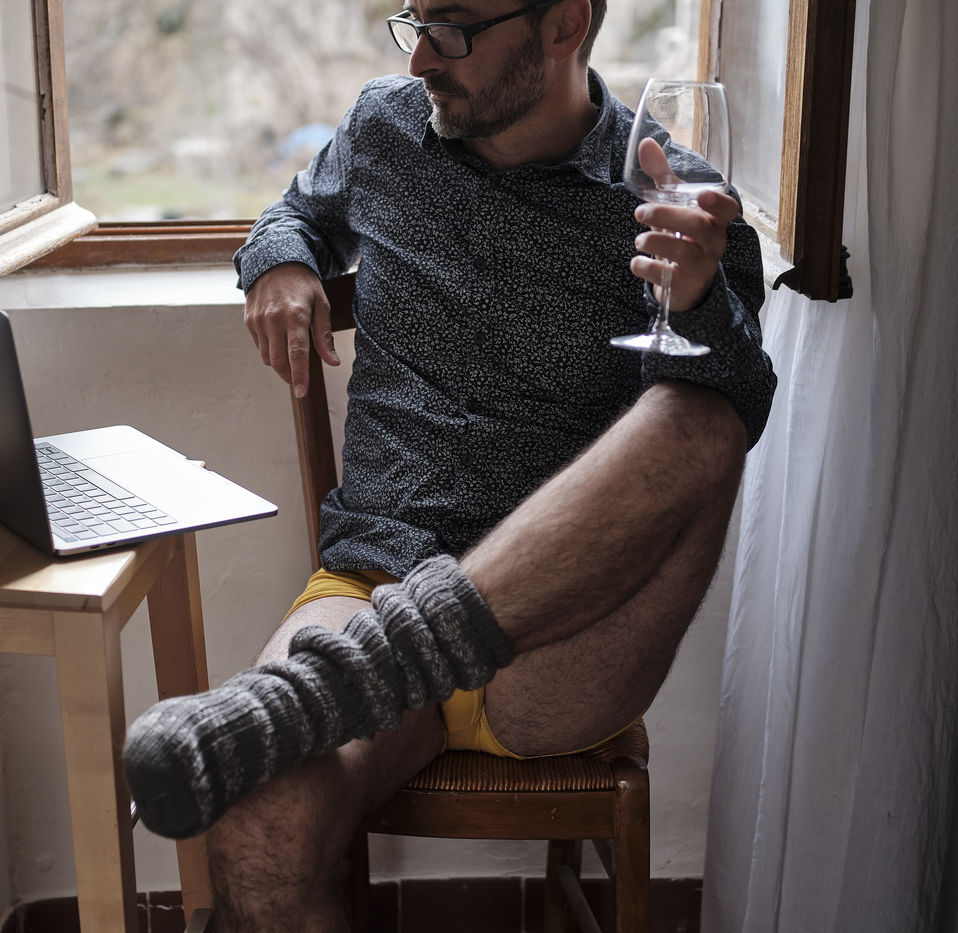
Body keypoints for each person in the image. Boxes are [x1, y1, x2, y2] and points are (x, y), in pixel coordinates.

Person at [123, 0, 776, 928]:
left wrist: (702, 300)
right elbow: (294, 211)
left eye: (455, 29)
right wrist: (279, 261)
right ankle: (351, 681)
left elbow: (745, 398)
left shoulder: (673, 200)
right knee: (259, 817)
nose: (422, 58)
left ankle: (334, 685)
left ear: (564, 25)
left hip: (562, 631)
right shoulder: (385, 128)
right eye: (415, 21)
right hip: (373, 582)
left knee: (703, 418)